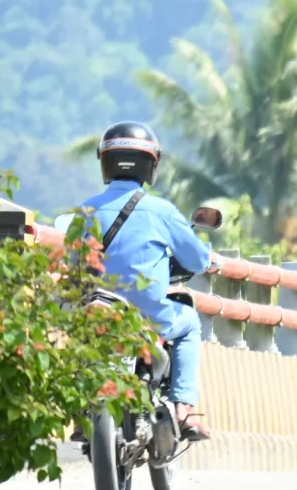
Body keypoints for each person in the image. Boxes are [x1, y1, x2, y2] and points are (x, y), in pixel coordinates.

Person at [81, 121, 216, 439]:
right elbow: (196, 260)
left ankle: (81, 415)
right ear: (150, 166)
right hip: (151, 319)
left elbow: (74, 259)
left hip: (100, 313)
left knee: (82, 338)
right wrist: (210, 260)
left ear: (105, 163)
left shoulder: (87, 211)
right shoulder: (161, 210)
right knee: (190, 324)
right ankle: (184, 410)